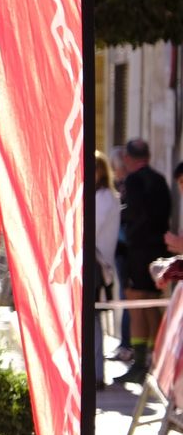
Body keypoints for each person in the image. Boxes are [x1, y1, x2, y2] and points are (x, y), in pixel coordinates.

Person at [116, 138, 169, 383]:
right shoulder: (160, 181)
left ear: (128, 158)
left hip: (138, 252)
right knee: (152, 306)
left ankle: (139, 364)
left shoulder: (134, 181)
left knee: (137, 306)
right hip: (159, 251)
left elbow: (132, 214)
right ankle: (156, 360)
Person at [94, 153, 119, 390]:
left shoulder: (105, 198)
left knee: (92, 320)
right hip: (93, 264)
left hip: (97, 265)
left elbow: (89, 227)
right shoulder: (99, 197)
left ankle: (96, 374)